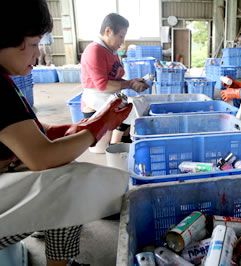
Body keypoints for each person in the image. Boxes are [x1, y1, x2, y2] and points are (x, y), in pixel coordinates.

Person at [0, 1, 133, 265]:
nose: (37, 55)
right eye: (36, 43)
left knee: (65, 167)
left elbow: (32, 129)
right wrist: (98, 126)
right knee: (72, 183)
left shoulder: (6, 83)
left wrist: (77, 128)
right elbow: (42, 157)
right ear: (12, 39)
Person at [80, 13, 148, 152]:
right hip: (96, 101)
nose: (122, 41)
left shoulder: (111, 50)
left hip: (110, 96)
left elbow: (115, 79)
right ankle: (115, 146)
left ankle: (120, 142)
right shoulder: (95, 51)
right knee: (134, 113)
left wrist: (133, 82)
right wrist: (129, 84)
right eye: (121, 36)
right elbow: (103, 85)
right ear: (108, 31)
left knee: (140, 105)